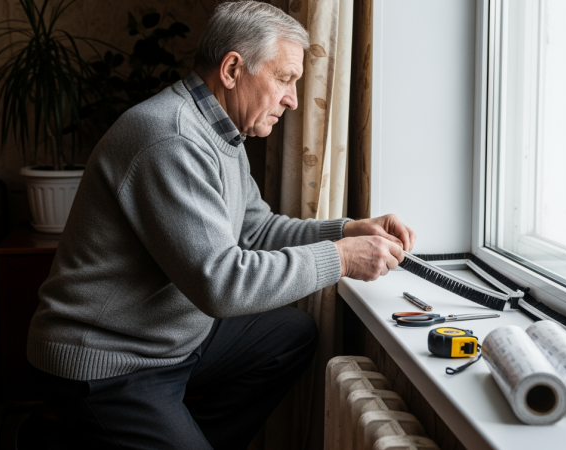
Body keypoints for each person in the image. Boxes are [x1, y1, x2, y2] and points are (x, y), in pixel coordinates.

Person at [26, 2, 416, 449]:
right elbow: (222, 285)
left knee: (290, 334)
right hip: (109, 363)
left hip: (169, 340)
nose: (291, 99)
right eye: (285, 79)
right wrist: (341, 259)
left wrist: (345, 231)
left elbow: (257, 231)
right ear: (232, 69)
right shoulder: (169, 138)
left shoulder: (220, 132)